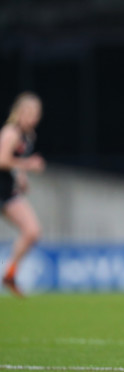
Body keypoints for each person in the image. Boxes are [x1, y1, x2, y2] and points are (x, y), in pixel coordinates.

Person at [0, 92, 45, 297]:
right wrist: (27, 165)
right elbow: (2, 160)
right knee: (31, 230)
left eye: (36, 113)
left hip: (7, 192)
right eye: (28, 112)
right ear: (18, 112)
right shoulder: (11, 132)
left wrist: (20, 176)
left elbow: (12, 162)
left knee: (32, 231)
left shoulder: (28, 136)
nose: (33, 117)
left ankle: (9, 274)